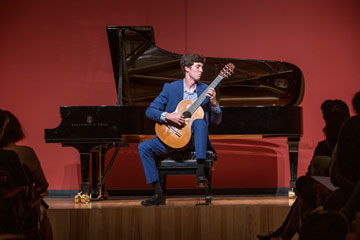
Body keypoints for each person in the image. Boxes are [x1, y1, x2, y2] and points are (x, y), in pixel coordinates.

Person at [257, 99, 350, 240]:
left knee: (302, 190)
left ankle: (281, 236)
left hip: (337, 191)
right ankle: (281, 236)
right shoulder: (325, 146)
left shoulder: (344, 146)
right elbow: (312, 172)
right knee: (302, 194)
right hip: (327, 188)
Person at [138, 54, 222, 206]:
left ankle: (200, 172)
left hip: (194, 141)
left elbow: (216, 122)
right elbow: (150, 111)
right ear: (187, 68)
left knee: (200, 123)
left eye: (202, 67)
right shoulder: (170, 88)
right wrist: (168, 116)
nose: (201, 70)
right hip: (173, 137)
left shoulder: (205, 90)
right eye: (198, 67)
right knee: (143, 147)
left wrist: (214, 104)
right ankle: (157, 193)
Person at [0, 109, 53, 239]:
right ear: (14, 129)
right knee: (42, 215)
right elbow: (42, 185)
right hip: (14, 213)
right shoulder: (24, 153)